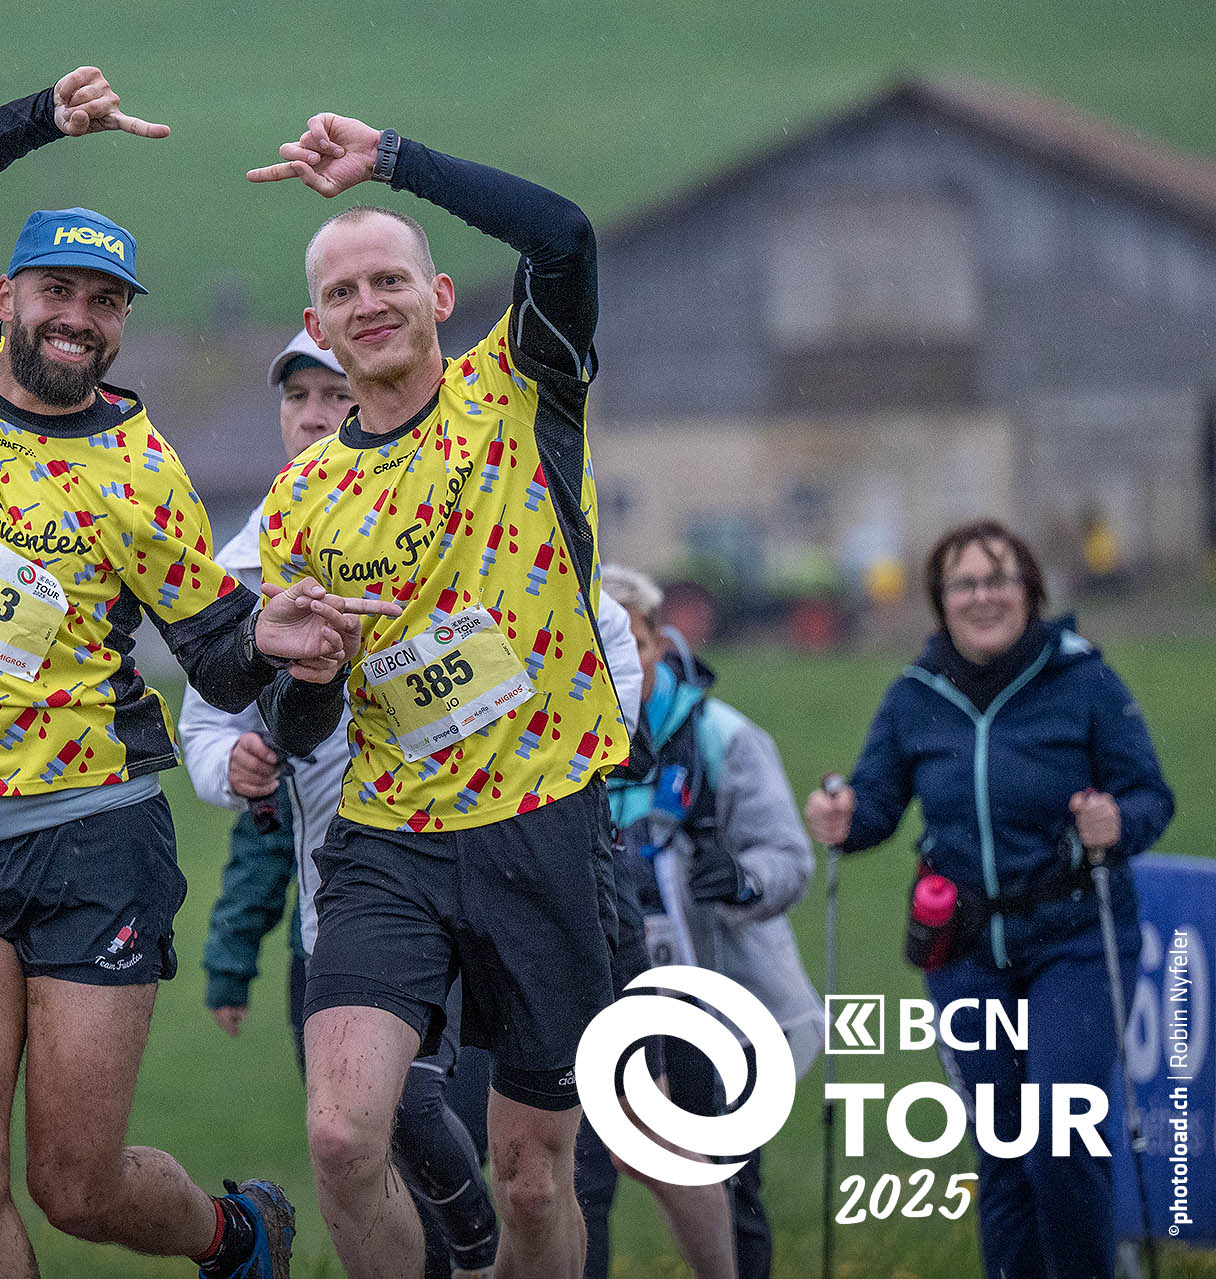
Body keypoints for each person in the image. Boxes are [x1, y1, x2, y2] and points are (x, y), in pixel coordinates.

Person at [0, 67, 396, 1279]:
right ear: (7, 300)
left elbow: (217, 653)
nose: (78, 317)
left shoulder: (143, 470)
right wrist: (41, 119)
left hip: (90, 840)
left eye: (104, 302)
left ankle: (238, 1235)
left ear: (119, 326)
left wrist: (291, 651)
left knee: (74, 1185)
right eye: (57, 291)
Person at [250, 112, 631, 1278]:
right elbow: (304, 723)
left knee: (532, 1178)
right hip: (391, 840)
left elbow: (564, 237)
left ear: (441, 296)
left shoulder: (518, 387)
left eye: (389, 280)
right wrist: (307, 678)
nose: (368, 303)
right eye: (342, 292)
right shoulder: (300, 500)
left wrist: (393, 161)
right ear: (318, 327)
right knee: (340, 1135)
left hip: (543, 819)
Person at [181, 330, 501, 1279]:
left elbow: (592, 624)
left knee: (435, 1123)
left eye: (336, 394)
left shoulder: (456, 506)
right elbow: (205, 723)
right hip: (335, 907)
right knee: (356, 1151)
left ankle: (481, 1258)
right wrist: (233, 763)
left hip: (472, 876)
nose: (315, 416)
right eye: (298, 398)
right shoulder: (247, 562)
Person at [805, 519, 1174, 1279]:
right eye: (965, 583)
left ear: (1030, 591)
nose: (983, 596)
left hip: (1077, 939)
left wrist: (1115, 822)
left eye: (999, 579)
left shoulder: (1085, 681)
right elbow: (874, 806)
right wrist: (841, 815)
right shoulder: (914, 695)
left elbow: (1150, 796)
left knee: (1062, 1132)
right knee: (1004, 1151)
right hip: (965, 948)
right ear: (940, 601)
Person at [586, 565, 823, 1279]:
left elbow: (789, 857)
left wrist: (742, 879)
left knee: (727, 1176)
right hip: (605, 1004)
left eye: (631, 644)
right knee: (581, 1183)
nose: (617, 664)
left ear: (659, 643)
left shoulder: (723, 736)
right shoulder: (561, 746)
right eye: (597, 648)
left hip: (725, 1000)